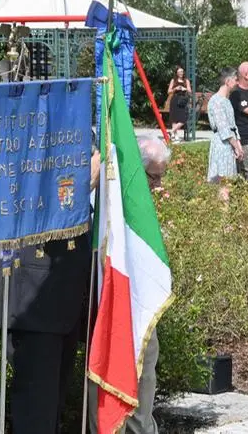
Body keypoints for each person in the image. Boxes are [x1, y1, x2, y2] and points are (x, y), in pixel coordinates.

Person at [0, 147, 100, 434]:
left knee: (51, 408)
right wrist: (86, 180)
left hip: (63, 302)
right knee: (36, 413)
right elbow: (45, 196)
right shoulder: (32, 136)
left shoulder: (70, 128)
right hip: (36, 302)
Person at [90, 135, 172, 434]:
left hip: (139, 301)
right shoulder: (110, 196)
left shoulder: (140, 202)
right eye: (154, 177)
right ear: (136, 169)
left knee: (145, 366)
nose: (159, 185)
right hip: (110, 299)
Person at [207, 67, 244, 200]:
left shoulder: (226, 101)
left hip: (229, 144)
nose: (237, 83)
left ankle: (225, 215)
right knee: (224, 183)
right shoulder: (216, 101)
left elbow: (232, 126)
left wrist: (238, 145)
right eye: (235, 80)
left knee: (228, 183)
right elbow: (223, 128)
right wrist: (235, 145)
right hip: (222, 144)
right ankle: (223, 218)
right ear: (228, 81)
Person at [167, 66, 192, 140]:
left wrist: (185, 89)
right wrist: (175, 88)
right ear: (177, 73)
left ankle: (171, 131)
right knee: (174, 118)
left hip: (182, 100)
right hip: (175, 99)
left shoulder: (186, 80)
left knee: (183, 119)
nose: (181, 73)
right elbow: (168, 91)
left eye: (182, 71)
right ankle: (175, 135)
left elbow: (190, 91)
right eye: (180, 72)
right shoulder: (173, 80)